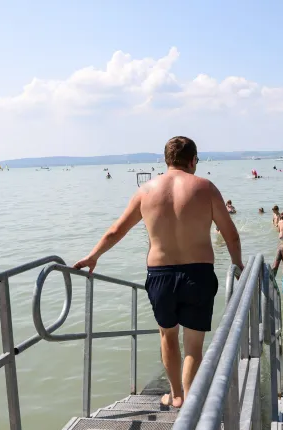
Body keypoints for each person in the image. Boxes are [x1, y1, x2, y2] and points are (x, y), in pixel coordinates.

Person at [73, 136, 243, 409]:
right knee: (194, 346)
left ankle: (175, 396)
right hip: (198, 274)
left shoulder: (146, 191)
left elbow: (116, 231)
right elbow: (231, 235)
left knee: (168, 336)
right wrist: (238, 267)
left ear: (166, 161)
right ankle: (191, 399)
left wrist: (94, 256)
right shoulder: (206, 188)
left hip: (160, 275)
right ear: (193, 160)